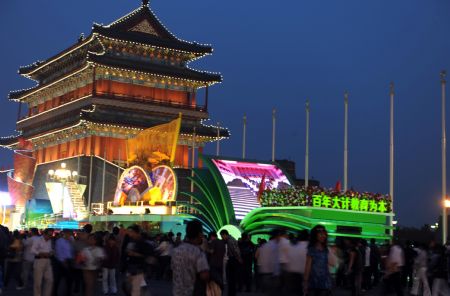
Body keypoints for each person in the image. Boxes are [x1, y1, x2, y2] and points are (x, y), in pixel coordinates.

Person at [171, 220, 210, 296]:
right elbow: (204, 275)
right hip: (192, 292)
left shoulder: (176, 250)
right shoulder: (198, 252)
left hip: (177, 292)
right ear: (199, 234)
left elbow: (173, 268)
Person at [303, 225, 333, 296]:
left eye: (324, 234)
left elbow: (327, 266)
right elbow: (308, 267)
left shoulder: (326, 249)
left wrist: (329, 281)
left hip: (325, 282)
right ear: (315, 236)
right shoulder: (311, 249)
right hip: (313, 282)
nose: (323, 236)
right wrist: (305, 282)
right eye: (320, 234)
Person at [124, 224, 152, 296]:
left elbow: (146, 255)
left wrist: (134, 254)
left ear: (137, 232)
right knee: (136, 289)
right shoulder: (130, 240)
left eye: (131, 232)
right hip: (131, 268)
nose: (130, 234)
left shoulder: (142, 242)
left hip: (139, 268)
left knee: (136, 290)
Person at [31, 229, 54, 296]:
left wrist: (51, 252)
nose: (50, 236)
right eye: (49, 235)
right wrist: (40, 253)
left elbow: (50, 249)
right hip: (39, 261)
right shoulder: (38, 240)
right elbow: (32, 250)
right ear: (44, 234)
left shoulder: (49, 241)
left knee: (50, 280)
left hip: (48, 261)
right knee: (38, 282)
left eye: (51, 235)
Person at [285, 230, 309, 295]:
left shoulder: (292, 247)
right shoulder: (310, 248)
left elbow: (288, 262)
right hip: (306, 276)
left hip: (293, 275)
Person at [220, 229, 242, 296]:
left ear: (225, 234)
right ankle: (232, 293)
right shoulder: (231, 239)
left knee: (231, 278)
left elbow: (235, 250)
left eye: (222, 236)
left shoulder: (230, 241)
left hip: (233, 260)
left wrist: (239, 258)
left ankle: (231, 293)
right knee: (232, 278)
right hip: (233, 259)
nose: (222, 238)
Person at [54, 229, 74, 296]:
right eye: (69, 234)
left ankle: (68, 293)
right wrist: (63, 262)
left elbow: (71, 252)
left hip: (69, 261)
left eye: (71, 234)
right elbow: (59, 253)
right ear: (65, 234)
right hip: (61, 262)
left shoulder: (70, 241)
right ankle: (55, 293)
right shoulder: (60, 241)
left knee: (69, 280)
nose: (70, 235)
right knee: (58, 280)